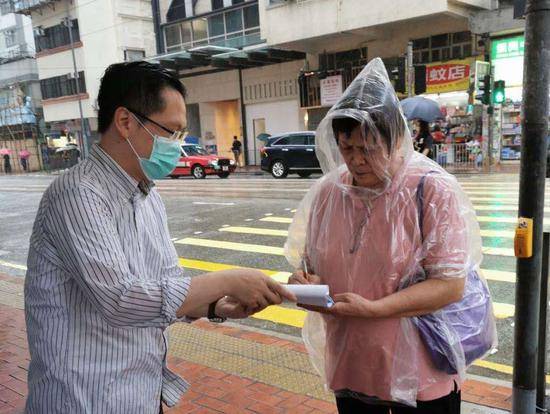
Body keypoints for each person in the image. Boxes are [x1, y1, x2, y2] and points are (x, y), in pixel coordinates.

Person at [24, 61, 296, 413]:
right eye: (171, 132)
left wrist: (218, 306)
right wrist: (228, 279)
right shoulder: (77, 194)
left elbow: (165, 289)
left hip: (140, 394)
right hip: (81, 399)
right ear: (125, 122)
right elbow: (122, 299)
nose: (177, 146)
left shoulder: (148, 196)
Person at [286, 58, 495, 413]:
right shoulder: (327, 193)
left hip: (419, 373)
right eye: (347, 148)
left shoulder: (431, 189)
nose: (357, 161)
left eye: (368, 149)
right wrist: (304, 282)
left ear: (396, 139)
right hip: (351, 365)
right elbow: (311, 264)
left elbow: (450, 285)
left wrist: (374, 309)